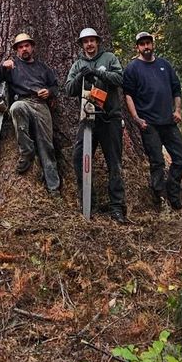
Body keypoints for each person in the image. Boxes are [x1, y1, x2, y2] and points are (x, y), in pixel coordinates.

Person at [65, 27, 127, 223]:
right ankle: (88, 203)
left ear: (97, 41)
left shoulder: (109, 58)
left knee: (114, 163)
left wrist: (98, 74)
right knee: (79, 159)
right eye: (85, 41)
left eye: (92, 40)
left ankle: (117, 207)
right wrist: (81, 76)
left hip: (110, 119)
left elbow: (119, 79)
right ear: (82, 45)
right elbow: (68, 90)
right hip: (87, 119)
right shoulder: (77, 64)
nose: (89, 44)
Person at [123, 32, 182, 210]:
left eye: (148, 43)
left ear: (153, 44)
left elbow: (176, 89)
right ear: (137, 47)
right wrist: (136, 118)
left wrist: (178, 110)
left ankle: (173, 190)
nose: (146, 47)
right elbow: (128, 95)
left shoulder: (164, 65)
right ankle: (160, 196)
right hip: (149, 124)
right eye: (142, 44)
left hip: (168, 121)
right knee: (157, 161)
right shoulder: (132, 68)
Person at [0, 32, 61, 193]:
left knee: (47, 146)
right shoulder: (12, 66)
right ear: (16, 50)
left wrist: (48, 92)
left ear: (32, 47)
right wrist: (2, 67)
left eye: (26, 45)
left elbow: (55, 87)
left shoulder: (43, 67)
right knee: (16, 107)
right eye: (20, 47)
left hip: (41, 104)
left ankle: (53, 187)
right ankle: (26, 150)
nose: (24, 49)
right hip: (23, 101)